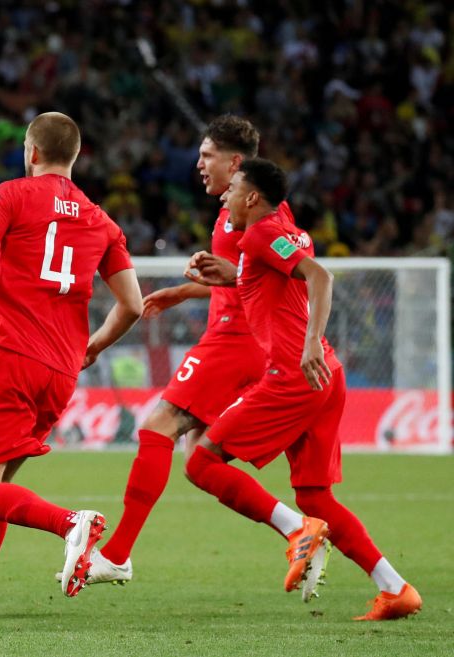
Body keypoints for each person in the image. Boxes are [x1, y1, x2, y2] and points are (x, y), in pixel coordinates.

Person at [0, 112, 144, 629]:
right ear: (75, 157)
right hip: (61, 372)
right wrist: (95, 346)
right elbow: (132, 303)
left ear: (32, 152)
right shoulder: (101, 220)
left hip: (13, 359)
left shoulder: (15, 194)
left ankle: (72, 524)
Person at [85, 116, 315, 595]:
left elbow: (277, 272)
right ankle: (298, 528)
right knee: (199, 464)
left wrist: (230, 275)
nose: (199, 164)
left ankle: (117, 555)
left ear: (236, 163)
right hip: (236, 334)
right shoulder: (236, 207)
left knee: (156, 426)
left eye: (207, 155)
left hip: (236, 340)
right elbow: (243, 274)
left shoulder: (258, 215)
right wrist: (188, 290)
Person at [188, 158, 421, 621]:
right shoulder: (285, 229)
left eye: (232, 188)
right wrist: (232, 277)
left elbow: (320, 276)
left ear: (252, 197)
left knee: (201, 461)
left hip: (294, 374)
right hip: (326, 375)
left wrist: (310, 341)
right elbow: (278, 282)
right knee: (317, 495)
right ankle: (396, 589)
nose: (223, 196)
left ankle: (296, 530)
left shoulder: (256, 233)